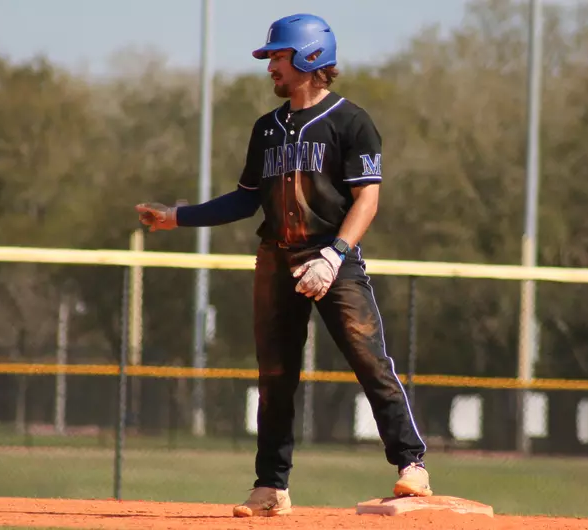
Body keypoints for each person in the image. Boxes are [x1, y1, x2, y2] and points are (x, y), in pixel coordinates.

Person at [135, 13, 431, 518]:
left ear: (311, 57)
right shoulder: (266, 129)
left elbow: (367, 202)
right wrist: (176, 217)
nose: (270, 65)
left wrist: (334, 256)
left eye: (277, 55)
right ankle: (271, 486)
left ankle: (411, 466)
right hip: (275, 259)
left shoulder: (351, 122)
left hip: (334, 259)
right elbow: (245, 200)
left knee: (370, 362)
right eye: (271, 56)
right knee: (275, 376)